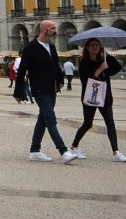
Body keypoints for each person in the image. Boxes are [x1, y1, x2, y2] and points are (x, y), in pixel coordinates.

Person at [16, 20, 79, 164]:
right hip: (39, 89)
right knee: (50, 119)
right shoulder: (31, 47)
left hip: (52, 88)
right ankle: (64, 152)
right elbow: (22, 70)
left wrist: (60, 80)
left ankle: (34, 150)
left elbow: (55, 64)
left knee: (43, 119)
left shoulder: (51, 46)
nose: (55, 31)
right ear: (44, 30)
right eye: (52, 28)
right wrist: (18, 91)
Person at [69, 38, 126, 162]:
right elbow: (85, 81)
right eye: (92, 45)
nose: (95, 47)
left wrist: (107, 54)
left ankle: (116, 152)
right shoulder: (84, 62)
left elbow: (117, 68)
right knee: (88, 123)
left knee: (110, 123)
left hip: (105, 96)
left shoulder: (103, 60)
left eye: (97, 45)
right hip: (91, 96)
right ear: (87, 47)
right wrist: (100, 70)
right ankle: (74, 147)